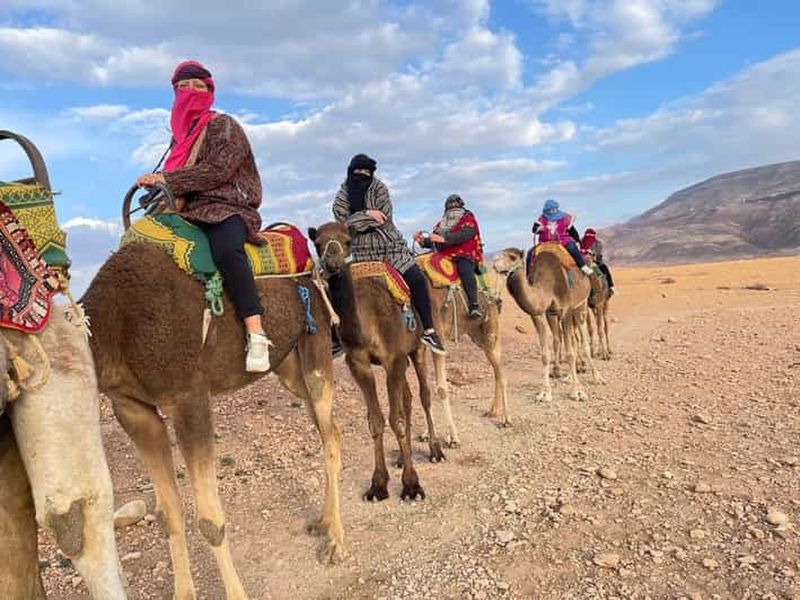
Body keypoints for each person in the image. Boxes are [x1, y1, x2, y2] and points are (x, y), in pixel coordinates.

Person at [136, 60, 271, 373]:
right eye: (183, 87)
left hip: (228, 206)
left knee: (225, 249)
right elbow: (176, 176)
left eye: (198, 86)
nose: (190, 92)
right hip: (189, 211)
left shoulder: (224, 125)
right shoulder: (178, 140)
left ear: (209, 91)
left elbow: (218, 170)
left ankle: (256, 332)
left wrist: (167, 181)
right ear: (174, 92)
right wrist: (156, 187)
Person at [333, 153, 445, 355]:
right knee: (335, 283)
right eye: (358, 171)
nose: (362, 175)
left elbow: (382, 219)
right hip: (357, 251)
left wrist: (355, 219)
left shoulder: (379, 188)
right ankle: (337, 337)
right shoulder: (343, 194)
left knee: (417, 279)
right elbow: (341, 221)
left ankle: (429, 330)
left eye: (366, 172)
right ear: (351, 172)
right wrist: (367, 214)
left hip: (389, 248)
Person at [414, 194, 484, 319]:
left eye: (454, 204)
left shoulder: (468, 219)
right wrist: (422, 241)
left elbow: (465, 235)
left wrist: (442, 238)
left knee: (465, 270)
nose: (452, 206)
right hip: (444, 254)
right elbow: (434, 240)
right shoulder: (441, 224)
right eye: (450, 204)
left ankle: (474, 304)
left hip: (464, 253)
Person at [531, 199, 593, 276]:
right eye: (551, 209)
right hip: (545, 243)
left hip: (563, 241)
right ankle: (529, 274)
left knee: (572, 247)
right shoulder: (541, 219)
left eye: (554, 208)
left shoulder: (564, 217)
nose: (553, 210)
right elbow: (534, 230)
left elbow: (572, 230)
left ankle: (583, 266)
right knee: (530, 253)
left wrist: (577, 241)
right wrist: (538, 229)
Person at [581, 227, 616, 294]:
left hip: (595, 261)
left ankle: (611, 286)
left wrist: (592, 254)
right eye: (588, 236)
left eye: (590, 236)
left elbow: (598, 254)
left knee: (604, 268)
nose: (589, 238)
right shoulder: (581, 242)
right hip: (582, 261)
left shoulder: (598, 243)